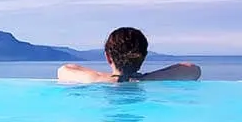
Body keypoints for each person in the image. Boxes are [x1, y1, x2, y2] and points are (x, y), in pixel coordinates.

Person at [57, 27, 201, 84]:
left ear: (108, 57)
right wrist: (146, 78)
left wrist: (105, 77)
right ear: (144, 56)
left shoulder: (96, 80)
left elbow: (64, 70)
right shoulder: (149, 83)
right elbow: (193, 70)